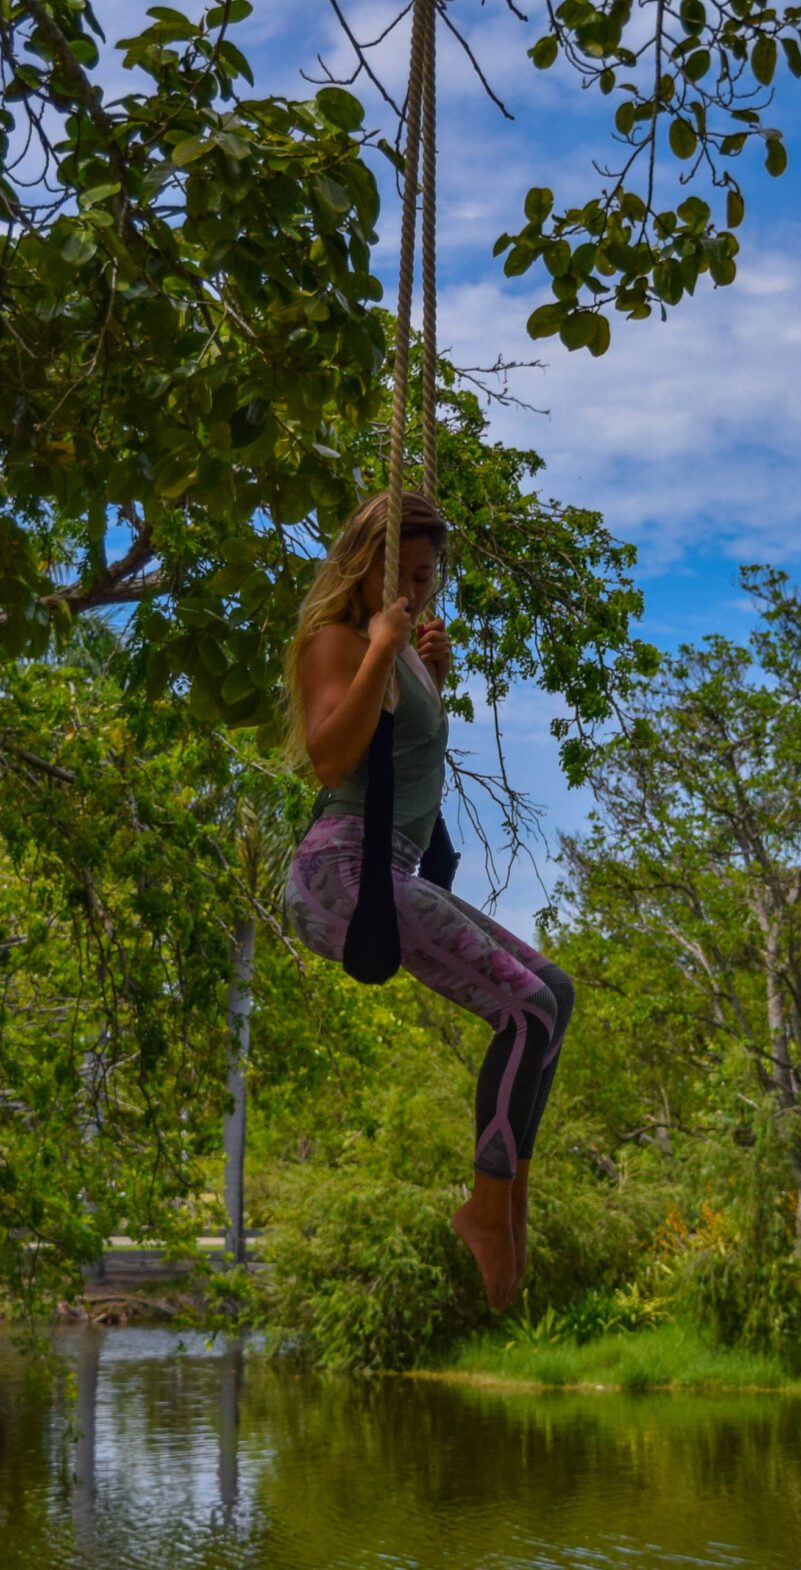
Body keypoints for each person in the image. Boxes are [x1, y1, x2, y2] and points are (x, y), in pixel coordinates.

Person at [279, 491, 576, 1310]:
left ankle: (509, 1191)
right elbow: (332, 757)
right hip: (341, 875)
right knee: (527, 1013)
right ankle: (485, 1205)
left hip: (391, 870)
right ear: (365, 566)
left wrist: (426, 676)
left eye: (426, 577)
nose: (417, 594)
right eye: (405, 575)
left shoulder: (396, 644)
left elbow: (400, 757)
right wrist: (383, 652)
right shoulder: (337, 639)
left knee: (556, 992)